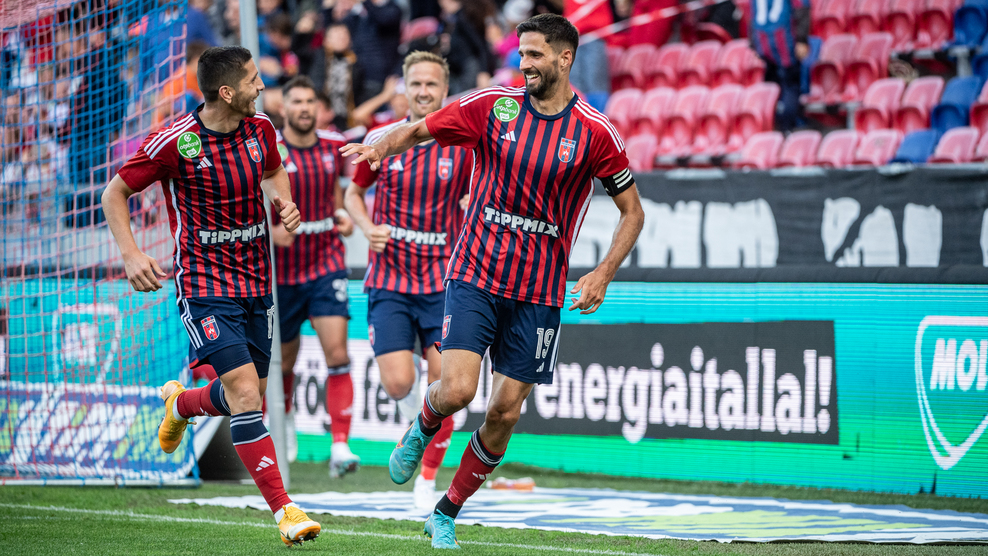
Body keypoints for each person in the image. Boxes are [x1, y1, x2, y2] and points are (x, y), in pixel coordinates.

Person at [342, 14, 644, 548]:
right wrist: (382, 148)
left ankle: (445, 512)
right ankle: (423, 426)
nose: (523, 64)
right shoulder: (493, 106)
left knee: (504, 413)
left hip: (540, 293)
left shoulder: (596, 132)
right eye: (520, 54)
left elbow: (633, 212)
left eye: (534, 54)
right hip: (476, 273)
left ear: (565, 58)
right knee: (458, 389)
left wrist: (603, 272)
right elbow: (421, 128)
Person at [101, 46, 321, 546]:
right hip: (204, 284)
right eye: (253, 80)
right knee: (245, 393)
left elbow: (273, 173)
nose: (261, 86)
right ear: (226, 91)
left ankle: (181, 405)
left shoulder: (261, 129)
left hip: (256, 282)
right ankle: (285, 511)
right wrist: (131, 255)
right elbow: (114, 193)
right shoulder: (175, 141)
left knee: (249, 394)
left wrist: (284, 203)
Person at [344, 51, 471, 510]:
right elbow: (353, 193)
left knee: (447, 387)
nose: (423, 91)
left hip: (442, 284)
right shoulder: (380, 140)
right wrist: (366, 227)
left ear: (445, 90)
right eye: (415, 83)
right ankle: (414, 424)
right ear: (404, 88)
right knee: (399, 384)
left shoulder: (462, 145)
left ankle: (427, 481)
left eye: (431, 84)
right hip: (390, 280)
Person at [272, 75, 360, 477]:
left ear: (318, 108)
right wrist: (272, 233)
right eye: (297, 101)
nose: (304, 108)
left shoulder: (332, 145)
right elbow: (255, 202)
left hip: (326, 262)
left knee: (337, 354)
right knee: (283, 363)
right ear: (284, 108)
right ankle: (285, 418)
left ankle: (340, 446)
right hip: (283, 270)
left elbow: (337, 198)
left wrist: (343, 216)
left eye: (310, 101)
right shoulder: (270, 148)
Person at [749, 0, 810, 132]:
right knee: (790, 84)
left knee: (774, 86)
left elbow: (752, 16)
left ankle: (775, 127)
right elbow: (801, 8)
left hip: (762, 40)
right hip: (783, 39)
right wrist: (801, 39)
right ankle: (787, 128)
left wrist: (753, 45)